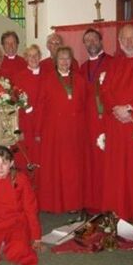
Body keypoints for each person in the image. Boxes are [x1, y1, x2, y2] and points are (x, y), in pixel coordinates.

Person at [101, 24, 133, 226]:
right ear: (119, 42)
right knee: (118, 173)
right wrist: (117, 109)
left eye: (132, 38)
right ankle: (120, 213)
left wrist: (130, 109)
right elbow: (105, 91)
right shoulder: (113, 64)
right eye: (124, 39)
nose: (129, 42)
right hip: (117, 128)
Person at [36, 46, 86, 213]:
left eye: (67, 59)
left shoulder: (79, 80)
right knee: (55, 168)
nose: (64, 62)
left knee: (72, 169)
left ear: (72, 61)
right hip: (54, 131)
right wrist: (38, 131)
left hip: (75, 131)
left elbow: (85, 106)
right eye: (61, 59)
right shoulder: (47, 80)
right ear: (55, 61)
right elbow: (41, 107)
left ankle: (72, 204)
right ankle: (53, 204)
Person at [80, 28, 113, 213]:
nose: (91, 43)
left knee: (105, 163)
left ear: (101, 41)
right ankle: (91, 201)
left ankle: (107, 201)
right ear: (84, 44)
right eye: (87, 40)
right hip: (87, 122)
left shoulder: (112, 63)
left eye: (94, 39)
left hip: (105, 121)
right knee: (90, 162)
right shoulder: (83, 68)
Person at [12, 44, 43, 186]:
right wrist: (19, 129)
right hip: (25, 124)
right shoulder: (19, 77)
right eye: (30, 56)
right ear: (25, 58)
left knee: (41, 159)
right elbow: (16, 105)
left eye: (36, 55)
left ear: (40, 57)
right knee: (25, 160)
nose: (33, 58)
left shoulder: (47, 76)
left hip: (42, 124)